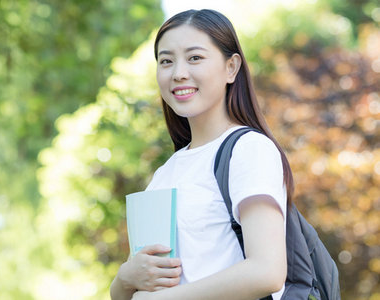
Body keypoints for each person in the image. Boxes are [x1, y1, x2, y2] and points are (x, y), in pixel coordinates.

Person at [110, 9, 294, 300]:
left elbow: (267, 271)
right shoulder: (165, 173)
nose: (178, 73)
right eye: (166, 61)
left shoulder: (248, 149)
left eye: (195, 57)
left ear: (231, 68)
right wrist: (123, 279)